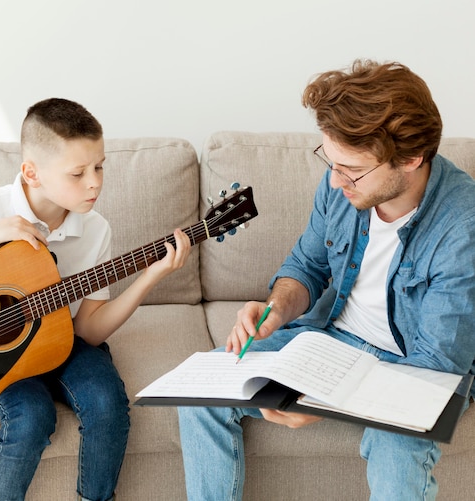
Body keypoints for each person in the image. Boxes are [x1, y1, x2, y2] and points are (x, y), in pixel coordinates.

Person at [178, 59, 475, 500]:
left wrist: (324, 401)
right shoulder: (340, 185)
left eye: (350, 169)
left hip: (412, 367)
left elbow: (434, 366)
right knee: (201, 395)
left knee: (396, 446)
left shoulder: (463, 227)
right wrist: (277, 309)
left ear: (411, 159)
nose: (334, 181)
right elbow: (308, 266)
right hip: (331, 338)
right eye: (330, 162)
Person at [0, 98, 191, 501]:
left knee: (108, 405)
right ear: (31, 173)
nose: (95, 182)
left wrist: (150, 278)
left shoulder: (96, 230)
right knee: (31, 417)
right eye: (78, 173)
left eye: (100, 166)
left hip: (63, 337)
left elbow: (89, 330)